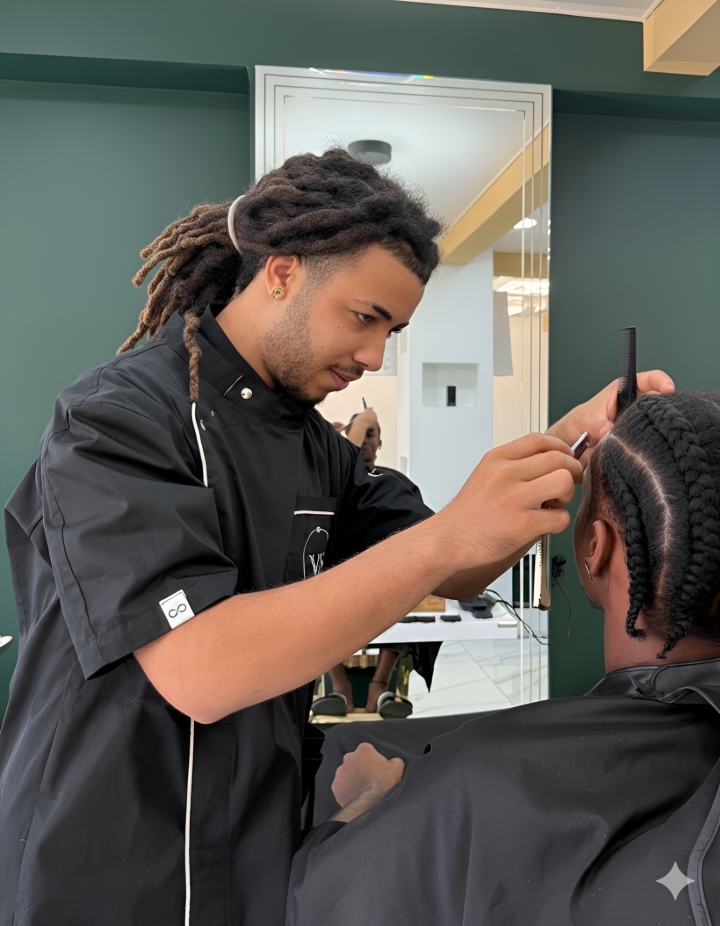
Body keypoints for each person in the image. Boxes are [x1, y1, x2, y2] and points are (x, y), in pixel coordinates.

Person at [0, 145, 670, 926]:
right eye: (365, 318)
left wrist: (570, 441)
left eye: (395, 330)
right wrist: (446, 539)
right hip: (105, 860)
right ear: (281, 271)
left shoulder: (315, 445)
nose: (375, 357)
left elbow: (449, 567)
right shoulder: (116, 421)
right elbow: (200, 669)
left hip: (253, 844)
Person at [288, 389, 720, 926]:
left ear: (595, 548)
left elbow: (316, 901)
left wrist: (370, 802)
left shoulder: (467, 784)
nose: (373, 356)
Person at [324, 407, 434, 715]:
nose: (365, 442)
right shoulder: (332, 484)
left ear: (381, 441)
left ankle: (381, 684)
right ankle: (339, 687)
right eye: (360, 434)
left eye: (371, 434)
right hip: (337, 581)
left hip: (386, 582)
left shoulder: (395, 483)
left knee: (400, 592)